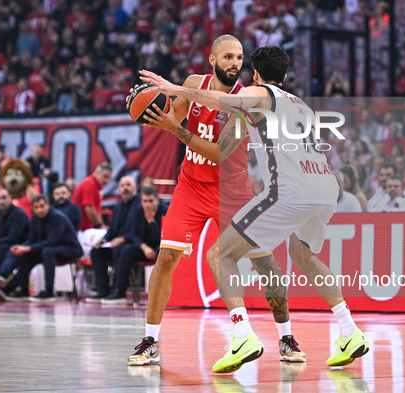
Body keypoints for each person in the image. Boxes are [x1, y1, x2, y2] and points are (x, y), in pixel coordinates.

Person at [140, 45, 369, 372]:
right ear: (286, 76)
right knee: (305, 257)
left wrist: (175, 89)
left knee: (219, 255)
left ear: (256, 74)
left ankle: (243, 334)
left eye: (241, 60)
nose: (236, 65)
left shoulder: (258, 93)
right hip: (324, 187)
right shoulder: (300, 104)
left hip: (287, 191)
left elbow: (226, 104)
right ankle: (350, 331)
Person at [127, 37, 308, 368]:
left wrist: (174, 128)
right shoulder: (194, 85)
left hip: (233, 190)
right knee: (166, 258)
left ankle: (285, 337)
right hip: (191, 186)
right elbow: (171, 113)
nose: (235, 62)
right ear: (212, 59)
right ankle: (150, 341)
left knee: (265, 263)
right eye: (228, 56)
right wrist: (148, 107)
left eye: (239, 57)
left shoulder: (246, 101)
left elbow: (220, 154)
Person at [7, 195, 83, 301]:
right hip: (49, 249)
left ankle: (49, 291)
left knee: (47, 252)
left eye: (42, 206)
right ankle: (23, 289)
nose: (40, 210)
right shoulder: (35, 218)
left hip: (70, 249)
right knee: (24, 254)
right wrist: (22, 247)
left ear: (48, 205)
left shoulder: (57, 217)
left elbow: (52, 241)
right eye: (36, 207)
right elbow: (32, 239)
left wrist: (28, 248)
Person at [101, 186, 167, 305]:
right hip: (144, 248)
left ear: (157, 200)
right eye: (144, 201)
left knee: (161, 250)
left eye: (151, 201)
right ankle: (120, 291)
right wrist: (144, 248)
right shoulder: (138, 211)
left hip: (159, 247)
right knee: (123, 250)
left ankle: (163, 293)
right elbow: (135, 234)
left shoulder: (165, 211)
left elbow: (161, 237)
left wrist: (151, 221)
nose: (147, 204)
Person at [87, 176, 140, 303]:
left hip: (136, 245)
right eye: (122, 186)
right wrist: (104, 239)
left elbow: (139, 231)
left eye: (128, 185)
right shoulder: (118, 207)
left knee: (121, 250)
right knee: (96, 252)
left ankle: (120, 291)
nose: (125, 188)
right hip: (117, 245)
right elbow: (112, 230)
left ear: (135, 187)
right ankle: (103, 290)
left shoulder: (140, 205)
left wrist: (123, 239)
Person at [0, 187, 30, 293]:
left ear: (10, 198)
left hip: (21, 245)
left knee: (5, 249)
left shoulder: (18, 214)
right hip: (5, 244)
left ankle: (1, 279)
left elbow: (13, 238)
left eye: (4, 198)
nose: (1, 201)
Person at [72, 163, 112, 231]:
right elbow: (89, 208)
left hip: (85, 228)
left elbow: (97, 211)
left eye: (109, 178)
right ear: (97, 173)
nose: (107, 181)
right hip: (80, 229)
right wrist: (99, 226)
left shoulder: (96, 187)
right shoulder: (90, 184)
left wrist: (101, 225)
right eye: (105, 176)